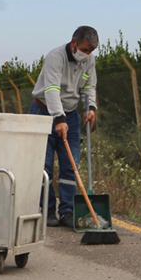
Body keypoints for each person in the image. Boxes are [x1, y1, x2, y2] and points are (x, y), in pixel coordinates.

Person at [30, 26, 99, 227]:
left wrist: (91, 107)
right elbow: (51, 89)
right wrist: (58, 119)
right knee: (45, 166)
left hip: (71, 114)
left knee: (71, 165)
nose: (88, 54)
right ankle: (48, 209)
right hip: (44, 112)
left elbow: (89, 86)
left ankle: (68, 211)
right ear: (74, 43)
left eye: (92, 50)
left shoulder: (89, 60)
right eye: (85, 49)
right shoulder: (55, 56)